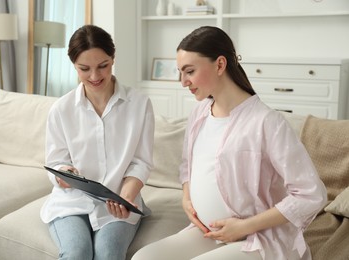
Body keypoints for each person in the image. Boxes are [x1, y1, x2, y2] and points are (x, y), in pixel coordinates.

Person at [132, 26, 327, 260]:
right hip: (209, 233)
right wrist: (187, 199)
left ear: (220, 65)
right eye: (180, 73)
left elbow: (311, 195)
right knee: (143, 258)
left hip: (259, 239)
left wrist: (245, 227)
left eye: (189, 71)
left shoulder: (267, 122)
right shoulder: (199, 114)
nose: (183, 82)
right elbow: (187, 166)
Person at [40, 24, 155, 260]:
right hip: (71, 203)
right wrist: (64, 174)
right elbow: (56, 161)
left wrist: (127, 197)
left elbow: (141, 162)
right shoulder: (61, 109)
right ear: (74, 66)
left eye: (103, 66)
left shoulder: (139, 105)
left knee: (108, 254)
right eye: (85, 69)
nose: (95, 76)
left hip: (119, 202)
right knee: (76, 253)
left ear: (113, 59)